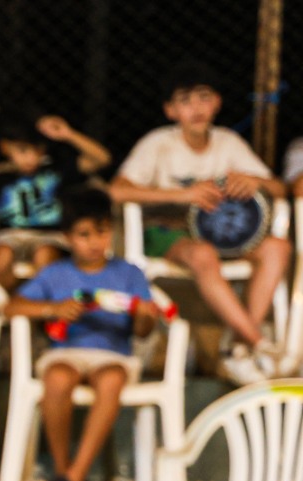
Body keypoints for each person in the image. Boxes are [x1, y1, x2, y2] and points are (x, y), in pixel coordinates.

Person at [111, 61, 291, 384]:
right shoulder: (158, 143)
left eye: (204, 97)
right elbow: (117, 191)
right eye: (185, 100)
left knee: (277, 248)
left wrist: (255, 181)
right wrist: (182, 195)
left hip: (225, 235)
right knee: (203, 254)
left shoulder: (228, 142)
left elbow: (279, 188)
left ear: (217, 102)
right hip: (169, 234)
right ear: (170, 110)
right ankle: (260, 343)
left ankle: (238, 347)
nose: (196, 108)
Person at [4, 188, 158, 481]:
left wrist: (145, 315)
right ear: (67, 237)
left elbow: (143, 333)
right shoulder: (55, 273)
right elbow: (11, 307)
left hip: (114, 356)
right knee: (57, 378)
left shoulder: (129, 274)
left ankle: (74, 476)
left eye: (101, 232)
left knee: (112, 380)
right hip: (65, 352)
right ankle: (64, 473)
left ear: (112, 232)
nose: (94, 242)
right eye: (84, 234)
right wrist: (52, 309)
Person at [0, 100, 111, 291]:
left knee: (45, 254)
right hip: (9, 235)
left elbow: (101, 159)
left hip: (51, 235)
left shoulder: (55, 170)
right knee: (1, 255)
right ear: (5, 147)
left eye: (37, 151)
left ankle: (44, 306)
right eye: (22, 150)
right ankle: (4, 304)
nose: (31, 158)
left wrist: (68, 134)